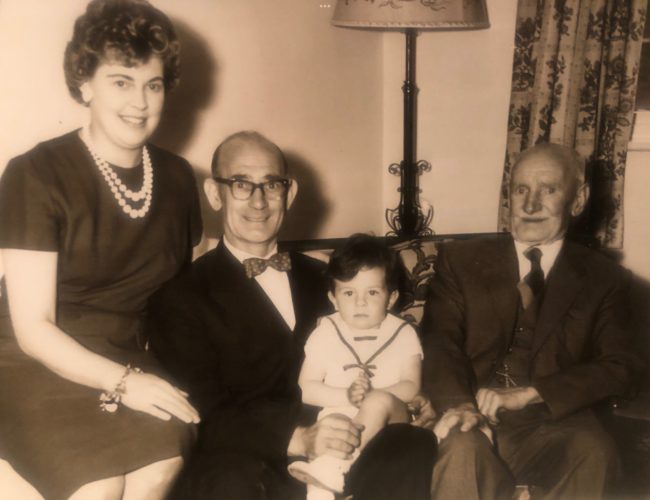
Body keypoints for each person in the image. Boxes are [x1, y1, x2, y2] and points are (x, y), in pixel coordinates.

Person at [147, 131, 439, 500]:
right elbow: (198, 411)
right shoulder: (180, 297)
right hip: (248, 458)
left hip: (345, 441)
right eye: (241, 184)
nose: (259, 201)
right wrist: (298, 438)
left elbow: (376, 351)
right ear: (214, 194)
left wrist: (409, 399)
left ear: (290, 193)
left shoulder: (329, 279)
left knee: (411, 443)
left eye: (272, 184)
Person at [0, 1, 202, 499]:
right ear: (84, 83)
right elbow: (33, 328)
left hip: (127, 354)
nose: (140, 102)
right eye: (121, 81)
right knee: (100, 486)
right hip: (30, 361)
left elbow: (184, 300)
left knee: (160, 464)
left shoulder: (178, 178)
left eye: (153, 85)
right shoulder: (35, 174)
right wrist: (125, 383)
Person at [421, 143, 642, 499]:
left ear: (578, 200)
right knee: (461, 448)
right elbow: (438, 341)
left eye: (548, 190)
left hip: (552, 422)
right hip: (470, 411)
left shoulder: (606, 279)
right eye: (521, 190)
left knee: (594, 452)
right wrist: (460, 405)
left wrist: (532, 394)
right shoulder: (460, 260)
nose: (530, 205)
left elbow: (621, 365)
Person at [287, 233, 435, 500]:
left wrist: (371, 395)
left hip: (392, 418)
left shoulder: (403, 333)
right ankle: (320, 488)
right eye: (349, 293)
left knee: (377, 402)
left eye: (373, 292)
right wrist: (346, 396)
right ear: (333, 298)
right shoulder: (325, 332)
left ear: (391, 297)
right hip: (340, 416)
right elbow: (306, 388)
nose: (360, 302)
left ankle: (337, 466)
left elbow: (411, 386)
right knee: (329, 429)